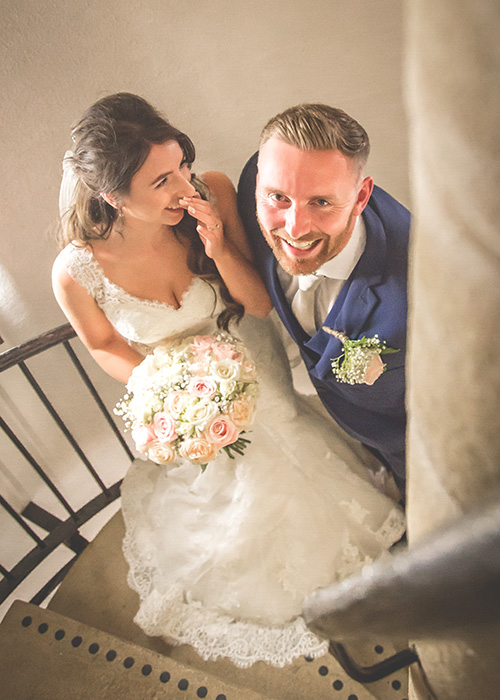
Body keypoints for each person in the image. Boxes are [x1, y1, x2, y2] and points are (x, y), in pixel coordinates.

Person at [52, 93, 405, 669]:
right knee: (235, 491)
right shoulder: (76, 270)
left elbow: (259, 302)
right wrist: (167, 386)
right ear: (113, 197)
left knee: (300, 444)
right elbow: (104, 345)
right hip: (192, 391)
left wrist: (216, 245)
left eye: (182, 165)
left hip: (255, 356)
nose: (184, 186)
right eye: (162, 180)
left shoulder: (210, 194)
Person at [237, 105, 411, 491]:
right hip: (340, 434)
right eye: (278, 197)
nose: (295, 229)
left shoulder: (417, 298)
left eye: (321, 202)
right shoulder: (258, 177)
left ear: (361, 195)